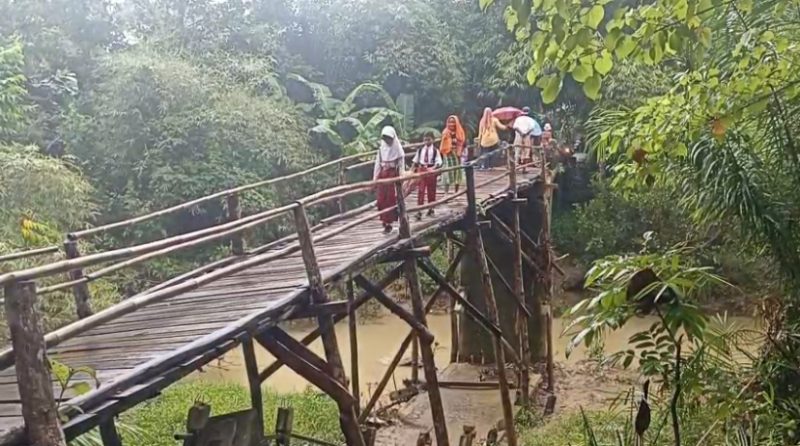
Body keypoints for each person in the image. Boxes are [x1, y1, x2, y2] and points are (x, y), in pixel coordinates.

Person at [373, 126, 406, 233]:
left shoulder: (398, 150)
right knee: (381, 199)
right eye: (385, 138)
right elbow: (377, 164)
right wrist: (375, 178)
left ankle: (389, 223)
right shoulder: (381, 149)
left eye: (389, 138)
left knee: (391, 199)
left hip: (393, 175)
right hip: (383, 175)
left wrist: (401, 177)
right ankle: (384, 220)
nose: (387, 140)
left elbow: (401, 165)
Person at [412, 132, 442, 220]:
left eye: (429, 139)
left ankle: (431, 208)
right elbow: (415, 161)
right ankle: (419, 210)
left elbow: (438, 162)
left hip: (431, 169)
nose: (427, 141)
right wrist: (411, 171)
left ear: (433, 140)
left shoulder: (435, 151)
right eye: (425, 140)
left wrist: (433, 168)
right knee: (421, 190)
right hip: (422, 170)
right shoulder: (420, 150)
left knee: (431, 190)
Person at [440, 115, 466, 194]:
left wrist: (459, 151)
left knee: (457, 172)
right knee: (447, 172)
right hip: (448, 154)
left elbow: (462, 143)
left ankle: (456, 192)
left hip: (457, 154)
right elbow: (443, 144)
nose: (451, 124)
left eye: (453, 122)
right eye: (450, 122)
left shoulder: (460, 132)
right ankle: (446, 193)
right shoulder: (445, 132)